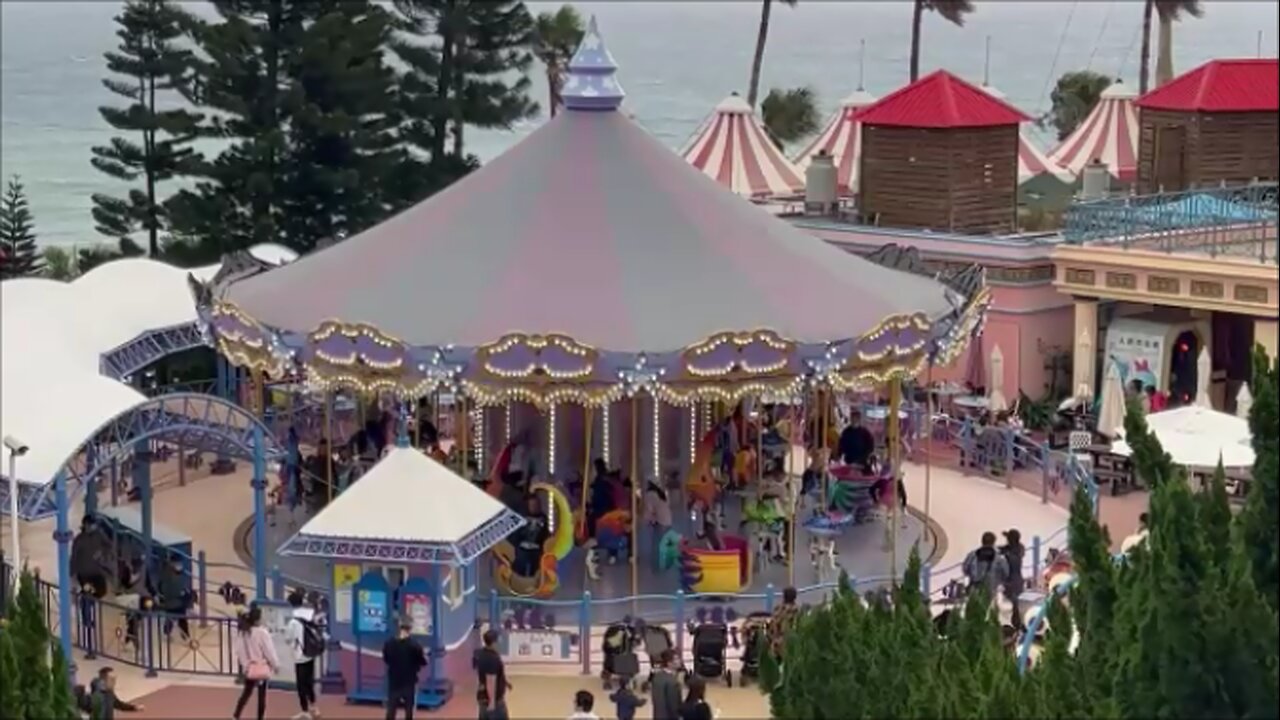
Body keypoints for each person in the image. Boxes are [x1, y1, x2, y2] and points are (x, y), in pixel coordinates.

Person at [232, 604, 279, 720]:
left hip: (250, 668)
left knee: (246, 693)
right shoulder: (262, 633)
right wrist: (275, 664)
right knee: (262, 696)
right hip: (262, 667)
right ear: (258, 619)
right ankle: (260, 717)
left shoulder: (244, 632)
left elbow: (239, 650)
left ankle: (236, 715)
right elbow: (269, 651)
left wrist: (246, 665)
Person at [286, 589, 323, 719]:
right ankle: (314, 707)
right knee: (309, 682)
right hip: (310, 652)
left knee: (301, 684)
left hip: (299, 655)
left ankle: (305, 711)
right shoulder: (309, 615)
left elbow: (288, 638)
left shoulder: (293, 622)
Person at [383, 615, 427, 720]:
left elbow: (386, 659)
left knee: (391, 709)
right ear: (410, 628)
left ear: (399, 627)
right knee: (409, 710)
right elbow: (422, 661)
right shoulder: (415, 645)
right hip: (409, 681)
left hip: (394, 681)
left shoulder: (389, 644)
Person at [962, 532, 1010, 602]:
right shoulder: (998, 557)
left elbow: (965, 568)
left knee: (975, 606)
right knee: (989, 609)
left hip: (975, 586)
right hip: (991, 588)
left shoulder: (973, 555)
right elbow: (1006, 572)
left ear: (982, 541)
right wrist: (999, 580)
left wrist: (972, 576)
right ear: (994, 542)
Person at [474, 629, 511, 720]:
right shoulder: (492, 659)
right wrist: (492, 703)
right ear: (494, 642)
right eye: (498, 640)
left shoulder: (482, 654)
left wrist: (504, 682)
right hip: (493, 701)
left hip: (483, 698)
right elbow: (490, 680)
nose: (500, 642)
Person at [155, 555, 191, 640]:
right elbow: (166, 588)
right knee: (177, 616)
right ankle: (184, 635)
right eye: (178, 562)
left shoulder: (178, 573)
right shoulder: (168, 574)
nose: (180, 564)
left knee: (176, 616)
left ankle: (183, 635)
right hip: (172, 600)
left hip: (176, 601)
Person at [1000, 529, 1026, 630]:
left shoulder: (1011, 553)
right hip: (1017, 580)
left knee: (1015, 604)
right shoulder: (1019, 547)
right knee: (1016, 603)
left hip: (1012, 581)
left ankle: (1017, 624)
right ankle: (1017, 623)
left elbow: (1003, 551)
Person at [649, 649, 682, 720]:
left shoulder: (657, 677)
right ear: (669, 663)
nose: (679, 661)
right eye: (676, 659)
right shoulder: (672, 682)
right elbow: (673, 705)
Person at [768, 586, 800, 657]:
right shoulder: (796, 610)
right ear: (795, 597)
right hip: (789, 645)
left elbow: (771, 627)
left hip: (775, 644)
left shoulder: (777, 609)